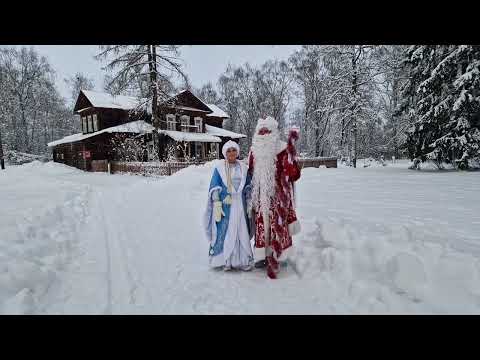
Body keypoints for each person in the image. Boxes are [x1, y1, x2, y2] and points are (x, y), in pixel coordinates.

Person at [247, 117, 301, 279]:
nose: (263, 134)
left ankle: (278, 255)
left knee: (278, 226)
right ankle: (263, 256)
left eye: (267, 131)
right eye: (260, 131)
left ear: (273, 132)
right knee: (263, 228)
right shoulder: (253, 151)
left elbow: (295, 174)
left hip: (279, 198)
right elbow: (250, 172)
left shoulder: (283, 149)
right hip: (261, 197)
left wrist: (291, 163)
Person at [203, 140, 254, 271]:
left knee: (242, 230)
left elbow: (248, 185)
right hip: (227, 205)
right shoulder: (219, 168)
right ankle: (226, 260)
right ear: (225, 153)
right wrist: (217, 202)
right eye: (229, 151)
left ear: (237, 152)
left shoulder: (243, 167)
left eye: (234, 150)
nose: (232, 153)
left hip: (240, 204)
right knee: (227, 230)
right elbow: (214, 186)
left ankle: (244, 260)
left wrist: (249, 201)